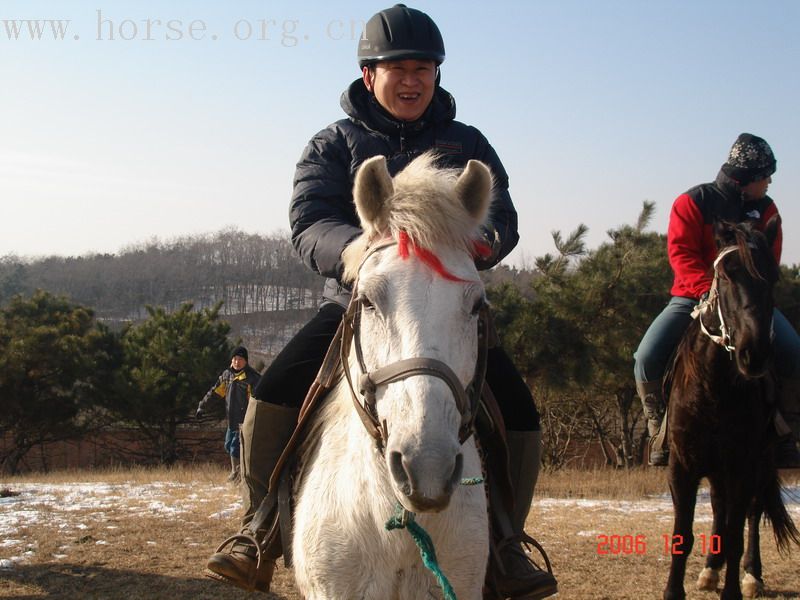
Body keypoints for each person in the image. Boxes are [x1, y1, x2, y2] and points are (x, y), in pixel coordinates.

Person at [204, 5, 557, 599]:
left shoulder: (466, 143)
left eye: (424, 68)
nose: (413, 80)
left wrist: (481, 242)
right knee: (271, 395)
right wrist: (358, 252)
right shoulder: (333, 143)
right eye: (399, 68)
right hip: (358, 299)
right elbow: (310, 220)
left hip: (446, 306)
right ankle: (258, 529)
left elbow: (501, 218)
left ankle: (505, 542)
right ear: (369, 75)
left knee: (518, 413)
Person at [634, 133, 800, 467]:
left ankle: (787, 429)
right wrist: (707, 291)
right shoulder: (692, 202)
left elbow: (769, 258)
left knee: (794, 350)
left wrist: (750, 291)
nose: (769, 182)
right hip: (693, 296)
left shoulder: (766, 210)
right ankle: (659, 426)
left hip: (747, 302)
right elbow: (681, 253)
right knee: (646, 356)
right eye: (765, 175)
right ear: (747, 178)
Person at [196, 346, 261, 483]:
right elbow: (214, 393)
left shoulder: (253, 378)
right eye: (235, 359)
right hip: (231, 420)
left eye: (241, 359)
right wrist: (202, 407)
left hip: (245, 421)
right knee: (228, 445)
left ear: (246, 361)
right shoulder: (227, 376)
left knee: (235, 447)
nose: (237, 362)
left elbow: (258, 400)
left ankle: (236, 474)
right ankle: (240, 471)